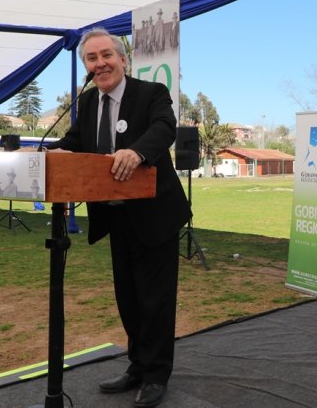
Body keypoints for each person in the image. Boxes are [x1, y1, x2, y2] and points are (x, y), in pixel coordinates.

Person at [46, 27, 191, 407]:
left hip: (155, 215)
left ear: (123, 59)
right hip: (116, 217)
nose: (100, 63)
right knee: (128, 298)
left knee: (155, 300)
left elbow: (164, 129)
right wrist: (53, 154)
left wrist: (137, 152)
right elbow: (76, 143)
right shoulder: (91, 102)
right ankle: (137, 366)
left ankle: (157, 375)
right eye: (91, 59)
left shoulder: (151, 94)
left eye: (106, 55)